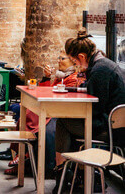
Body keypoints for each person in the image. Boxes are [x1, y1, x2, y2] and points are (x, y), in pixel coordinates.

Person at [52, 29, 125, 193]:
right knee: (67, 124)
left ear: (82, 57)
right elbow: (94, 92)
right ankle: (76, 176)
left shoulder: (100, 70)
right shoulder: (104, 64)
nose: (76, 65)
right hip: (112, 125)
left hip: (111, 130)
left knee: (63, 122)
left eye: (75, 61)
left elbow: (95, 107)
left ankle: (63, 175)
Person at [3, 50, 86, 176]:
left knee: (30, 116)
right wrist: (47, 77)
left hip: (58, 110)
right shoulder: (61, 77)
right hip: (52, 107)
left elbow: (55, 95)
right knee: (23, 112)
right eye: (59, 57)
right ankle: (23, 155)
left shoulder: (72, 78)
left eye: (62, 58)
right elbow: (47, 90)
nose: (58, 61)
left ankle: (24, 156)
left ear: (73, 62)